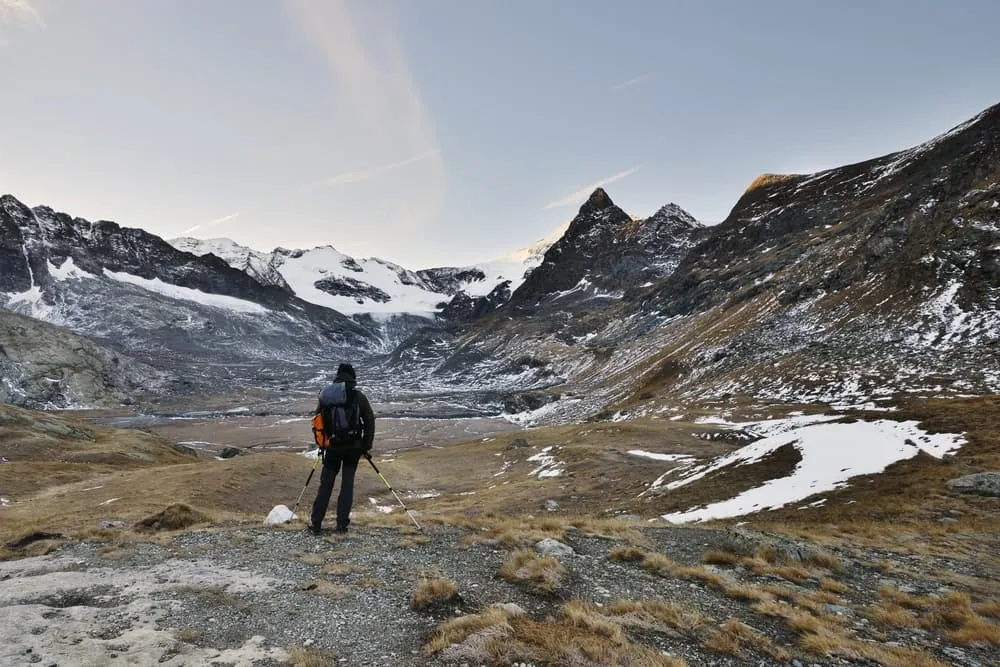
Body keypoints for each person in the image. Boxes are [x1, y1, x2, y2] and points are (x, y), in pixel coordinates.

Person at [309, 363, 375, 534]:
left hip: (332, 448)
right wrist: (365, 446)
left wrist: (322, 443)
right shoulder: (358, 396)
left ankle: (316, 523)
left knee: (326, 485)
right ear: (353, 377)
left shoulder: (327, 396)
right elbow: (369, 421)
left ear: (337, 376)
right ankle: (341, 525)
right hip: (353, 448)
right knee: (347, 485)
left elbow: (317, 421)